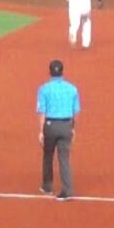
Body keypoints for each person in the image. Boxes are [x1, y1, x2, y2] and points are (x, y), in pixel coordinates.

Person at [37, 59, 80, 201]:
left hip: (50, 125)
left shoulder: (44, 89)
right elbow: (75, 112)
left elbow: (42, 111)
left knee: (48, 155)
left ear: (50, 72)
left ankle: (47, 186)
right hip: (66, 124)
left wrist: (41, 131)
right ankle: (67, 190)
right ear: (62, 71)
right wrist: (72, 129)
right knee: (64, 159)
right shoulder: (72, 89)